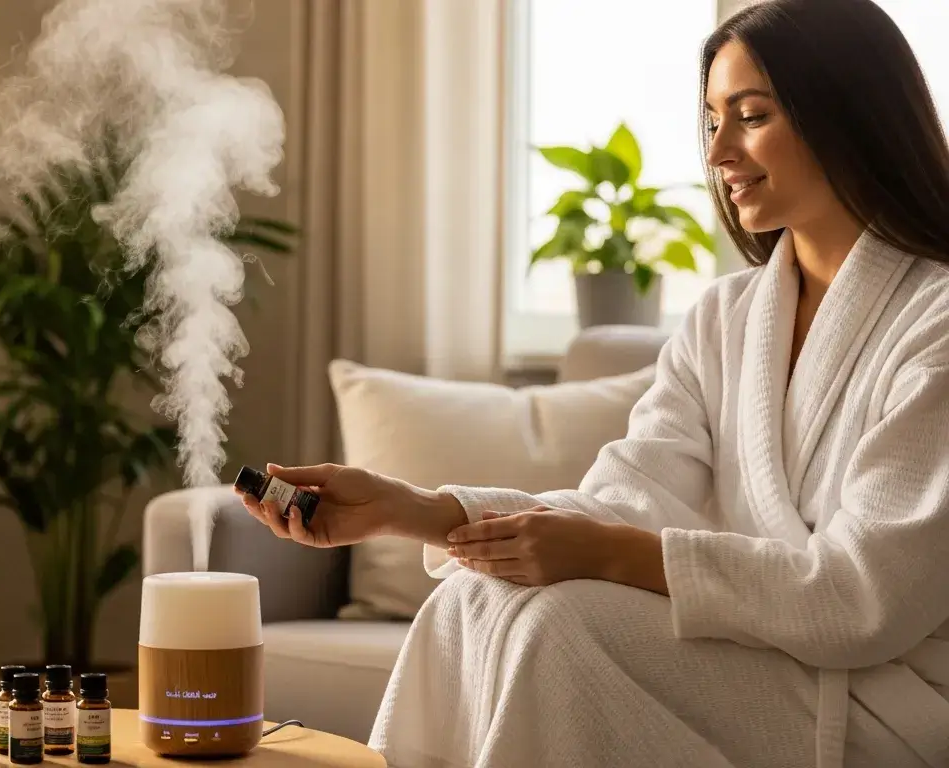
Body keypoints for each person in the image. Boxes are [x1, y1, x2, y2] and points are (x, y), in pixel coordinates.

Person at [236, 0, 949, 766]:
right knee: (472, 598)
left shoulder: (934, 319)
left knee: (559, 627)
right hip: (769, 656)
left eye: (751, 116)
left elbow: (860, 599)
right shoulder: (728, 317)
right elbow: (624, 501)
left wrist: (610, 557)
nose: (719, 154)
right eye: (712, 122)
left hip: (881, 694)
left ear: (847, 113)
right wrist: (417, 511)